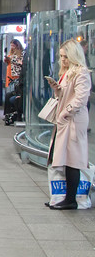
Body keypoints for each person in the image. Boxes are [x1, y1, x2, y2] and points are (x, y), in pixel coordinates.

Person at [45, 40, 92, 210]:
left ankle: (71, 199)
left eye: (65, 56)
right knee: (65, 157)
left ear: (73, 55)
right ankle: (64, 197)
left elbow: (80, 98)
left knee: (73, 159)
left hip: (73, 120)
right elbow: (66, 95)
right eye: (61, 56)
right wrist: (57, 89)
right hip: (65, 119)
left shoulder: (81, 73)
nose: (62, 59)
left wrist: (66, 112)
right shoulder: (67, 72)